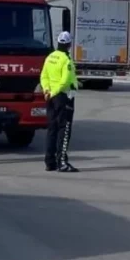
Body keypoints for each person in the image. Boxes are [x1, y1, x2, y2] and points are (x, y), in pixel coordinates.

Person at [41, 31, 80, 173]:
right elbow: (64, 81)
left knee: (52, 129)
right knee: (64, 129)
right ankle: (62, 162)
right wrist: (55, 91)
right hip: (63, 96)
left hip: (50, 97)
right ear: (69, 45)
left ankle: (49, 162)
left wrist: (47, 90)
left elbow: (43, 76)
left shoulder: (50, 57)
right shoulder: (66, 60)